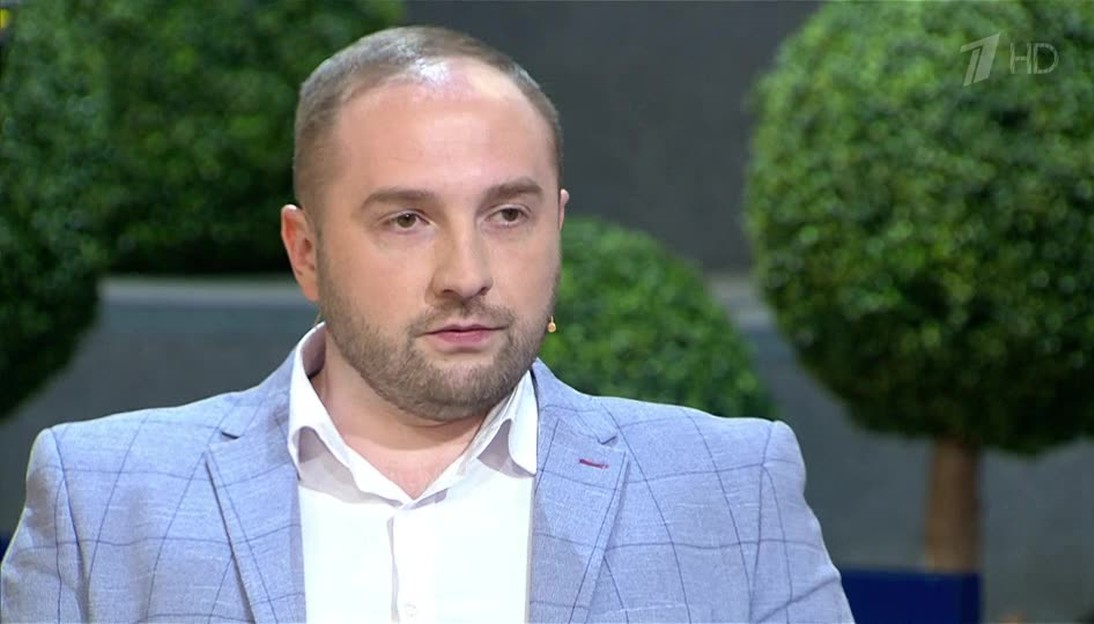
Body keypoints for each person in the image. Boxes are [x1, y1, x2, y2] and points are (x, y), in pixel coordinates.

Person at [0, 25, 853, 623]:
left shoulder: (730, 489)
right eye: (406, 220)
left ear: (558, 223)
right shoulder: (103, 499)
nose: (467, 274)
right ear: (306, 251)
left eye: (509, 215)